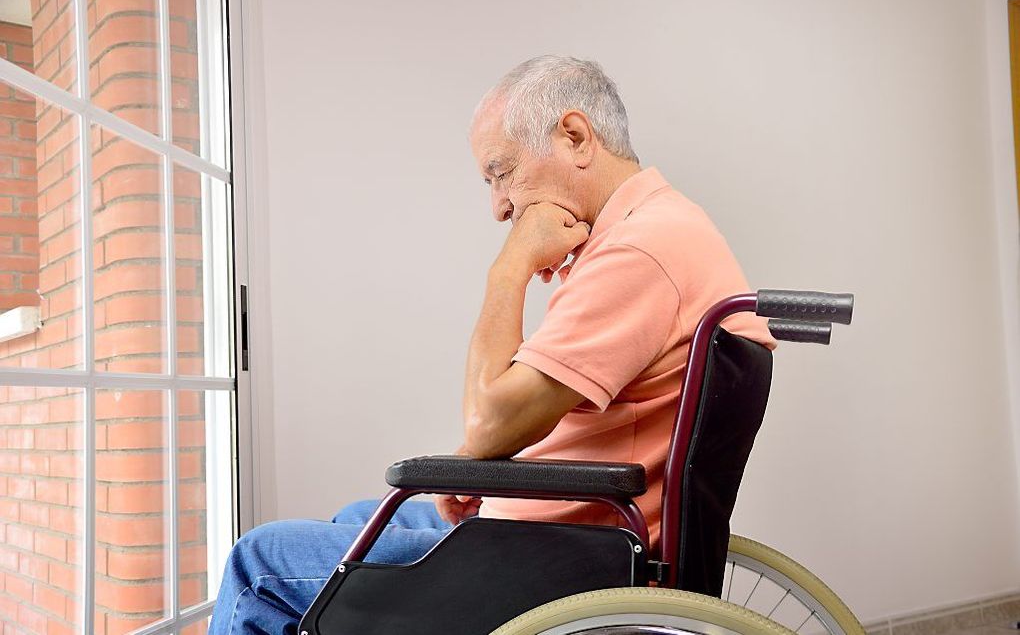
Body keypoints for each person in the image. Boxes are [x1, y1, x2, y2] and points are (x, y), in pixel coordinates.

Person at [208, 55, 774, 634]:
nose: (499, 205)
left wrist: (509, 270)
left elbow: (488, 422)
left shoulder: (638, 253)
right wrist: (482, 474)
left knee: (258, 564)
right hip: (561, 532)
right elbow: (536, 423)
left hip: (560, 562)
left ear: (575, 137)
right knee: (351, 524)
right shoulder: (660, 230)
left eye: (501, 173)